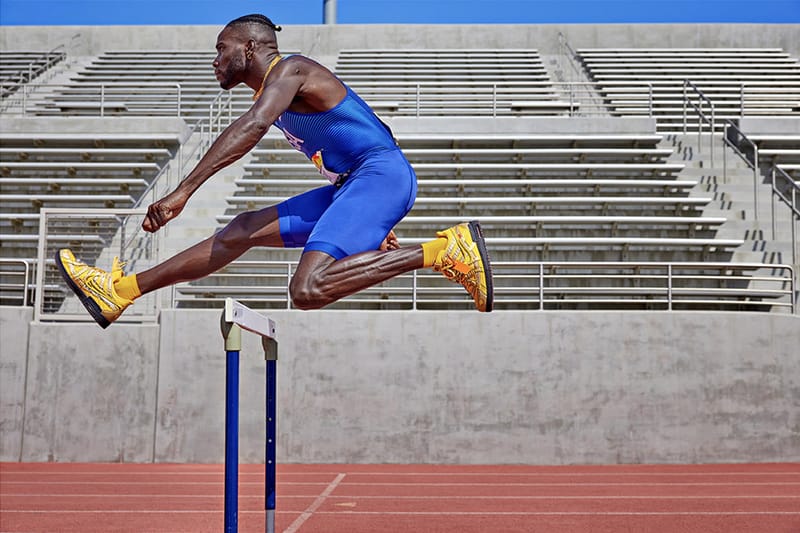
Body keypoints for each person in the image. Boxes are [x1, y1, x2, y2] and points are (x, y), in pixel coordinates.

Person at [56, 13, 493, 329]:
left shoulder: (292, 70)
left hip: (376, 176)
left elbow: (254, 125)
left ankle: (441, 252)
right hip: (357, 185)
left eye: (220, 49)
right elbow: (372, 130)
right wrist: (365, 218)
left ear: (248, 47)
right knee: (241, 229)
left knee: (307, 289)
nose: (215, 60)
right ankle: (120, 293)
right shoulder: (279, 91)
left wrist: (182, 191)